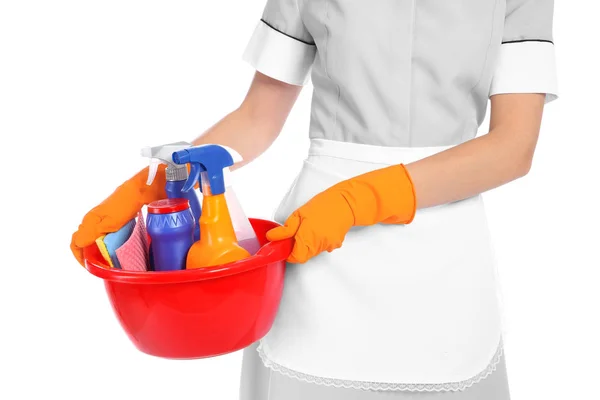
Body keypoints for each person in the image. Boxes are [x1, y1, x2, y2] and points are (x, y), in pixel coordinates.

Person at [71, 0, 558, 398]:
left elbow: (513, 148)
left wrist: (361, 199)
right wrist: (159, 181)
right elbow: (258, 117)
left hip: (443, 249)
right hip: (317, 249)